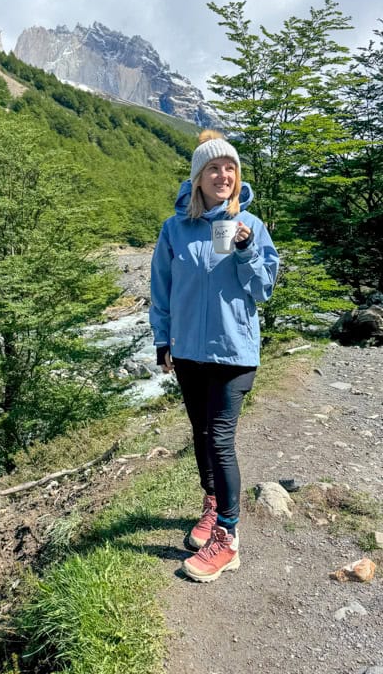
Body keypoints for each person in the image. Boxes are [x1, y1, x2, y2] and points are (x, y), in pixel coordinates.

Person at [150, 129, 279, 583]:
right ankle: (211, 505)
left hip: (234, 351)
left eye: (229, 168)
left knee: (220, 439)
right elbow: (161, 290)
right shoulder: (174, 230)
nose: (222, 175)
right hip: (187, 352)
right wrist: (162, 341)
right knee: (201, 434)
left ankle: (229, 537)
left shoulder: (253, 226)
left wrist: (245, 249)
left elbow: (263, 290)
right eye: (213, 168)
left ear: (235, 176)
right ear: (198, 178)